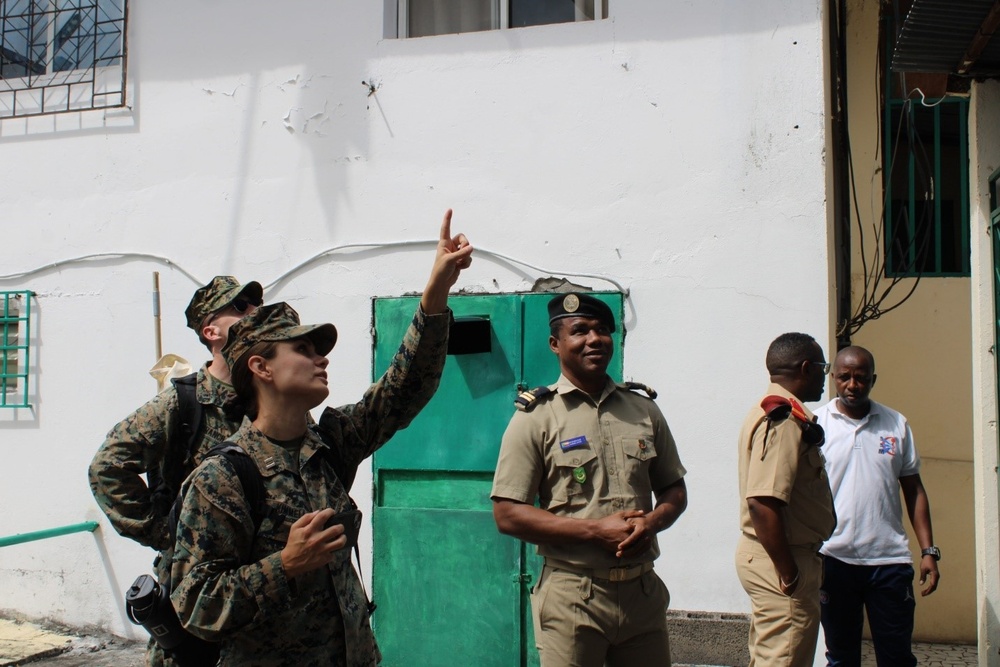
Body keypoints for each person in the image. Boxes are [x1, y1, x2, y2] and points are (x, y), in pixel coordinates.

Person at [169, 211, 472, 666]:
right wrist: (284, 565)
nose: (321, 360)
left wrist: (435, 295)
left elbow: (403, 390)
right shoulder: (223, 478)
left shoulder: (329, 443)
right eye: (303, 350)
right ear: (261, 367)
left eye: (319, 350)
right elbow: (196, 605)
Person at [491, 292, 688, 667]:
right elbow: (507, 514)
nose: (594, 339)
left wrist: (652, 522)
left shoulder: (643, 409)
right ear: (555, 344)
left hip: (641, 594)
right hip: (572, 596)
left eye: (602, 330)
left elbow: (673, 488)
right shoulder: (536, 416)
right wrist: (596, 531)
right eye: (579, 331)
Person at [88, 275, 263, 666]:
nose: (252, 312)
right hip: (195, 605)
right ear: (211, 331)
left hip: (258, 597)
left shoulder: (265, 398)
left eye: (254, 305)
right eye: (239, 307)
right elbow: (107, 468)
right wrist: (166, 534)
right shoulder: (184, 402)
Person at [815, 346, 940, 667]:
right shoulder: (816, 425)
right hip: (833, 559)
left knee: (896, 658)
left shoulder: (896, 424)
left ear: (873, 379)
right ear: (833, 377)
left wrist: (929, 551)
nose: (852, 385)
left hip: (889, 563)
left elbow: (914, 490)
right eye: (844, 377)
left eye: (861, 377)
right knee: (841, 658)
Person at [735, 332, 836, 666]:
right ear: (807, 368)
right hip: (783, 560)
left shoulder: (779, 413)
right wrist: (789, 573)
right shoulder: (784, 420)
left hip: (776, 556)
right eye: (824, 368)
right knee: (784, 659)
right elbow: (763, 503)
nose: (826, 376)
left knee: (772, 658)